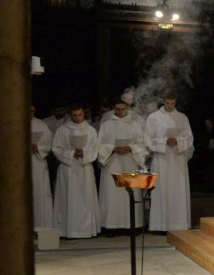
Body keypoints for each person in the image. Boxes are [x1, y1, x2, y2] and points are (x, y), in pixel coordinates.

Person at [97, 99, 148, 231]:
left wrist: (131, 148)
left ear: (127, 108)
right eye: (117, 109)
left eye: (122, 109)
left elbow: (143, 144)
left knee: (129, 193)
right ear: (114, 109)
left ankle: (132, 225)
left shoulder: (135, 125)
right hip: (112, 162)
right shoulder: (106, 125)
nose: (120, 111)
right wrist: (112, 148)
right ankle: (111, 226)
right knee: (111, 193)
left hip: (130, 161)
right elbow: (98, 145)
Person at [145, 94, 193, 232]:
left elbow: (189, 139)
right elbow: (147, 138)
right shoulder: (153, 117)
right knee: (161, 190)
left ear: (175, 102)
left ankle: (178, 224)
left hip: (177, 158)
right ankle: (160, 225)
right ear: (163, 102)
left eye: (172, 103)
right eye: (167, 103)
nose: (170, 105)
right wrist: (163, 141)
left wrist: (178, 141)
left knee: (177, 190)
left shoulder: (182, 118)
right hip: (161, 159)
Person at [51, 104, 100, 238]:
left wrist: (84, 153)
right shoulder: (63, 130)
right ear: (70, 115)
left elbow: (95, 149)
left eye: (80, 115)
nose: (77, 118)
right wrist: (72, 153)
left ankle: (86, 230)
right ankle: (67, 230)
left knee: (86, 198)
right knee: (68, 197)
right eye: (75, 115)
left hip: (85, 167)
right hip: (69, 168)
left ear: (83, 114)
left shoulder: (90, 130)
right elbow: (56, 148)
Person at [30, 106, 54, 230]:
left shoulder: (41, 125)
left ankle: (39, 226)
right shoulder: (12, 122)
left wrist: (38, 148)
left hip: (37, 162)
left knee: (39, 193)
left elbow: (49, 145)